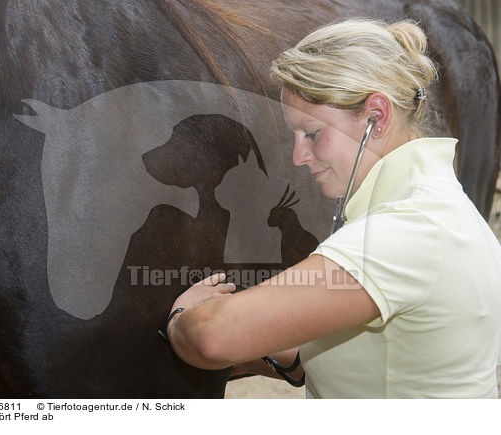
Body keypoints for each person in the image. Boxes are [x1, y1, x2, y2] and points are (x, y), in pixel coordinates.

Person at [165, 18, 501, 398]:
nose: (298, 157)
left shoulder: (406, 229)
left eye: (312, 134)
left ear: (377, 116)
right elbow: (390, 353)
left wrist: (183, 319)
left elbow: (212, 338)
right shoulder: (439, 204)